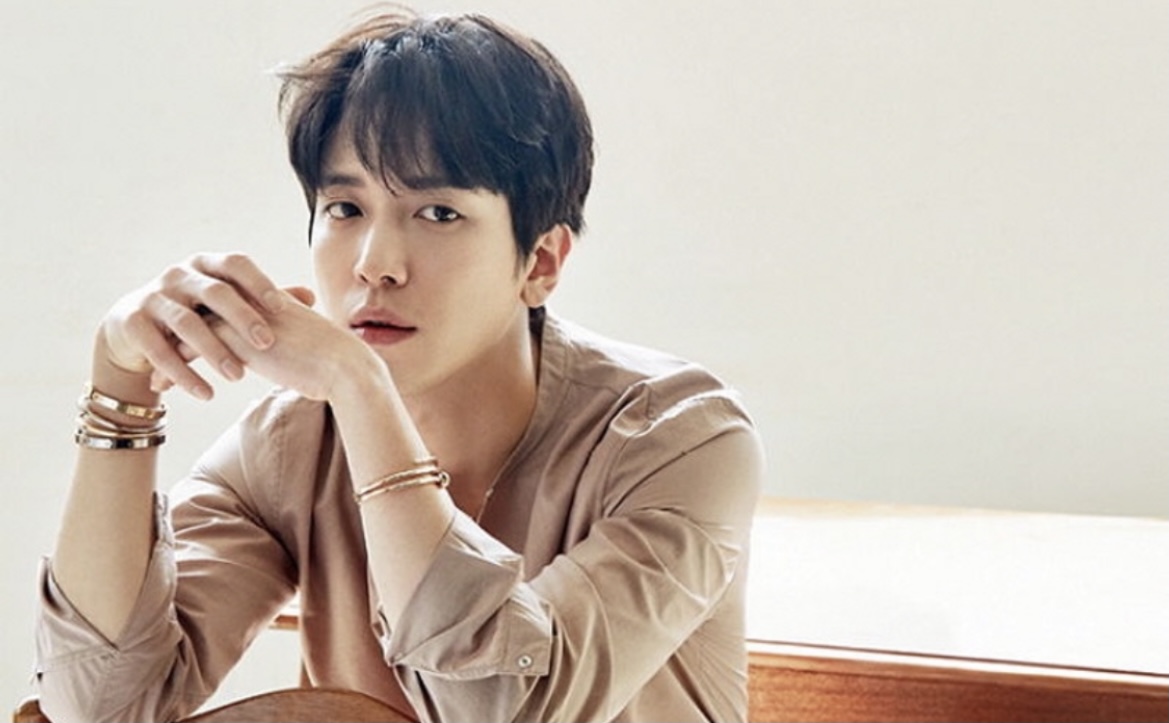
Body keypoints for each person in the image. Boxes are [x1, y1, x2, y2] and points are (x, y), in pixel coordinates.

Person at [34, 8, 763, 723]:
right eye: (345, 208)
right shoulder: (287, 448)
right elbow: (98, 707)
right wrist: (120, 391)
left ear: (540, 261)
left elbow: (499, 709)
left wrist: (361, 389)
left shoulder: (679, 438)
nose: (374, 264)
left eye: (438, 213)